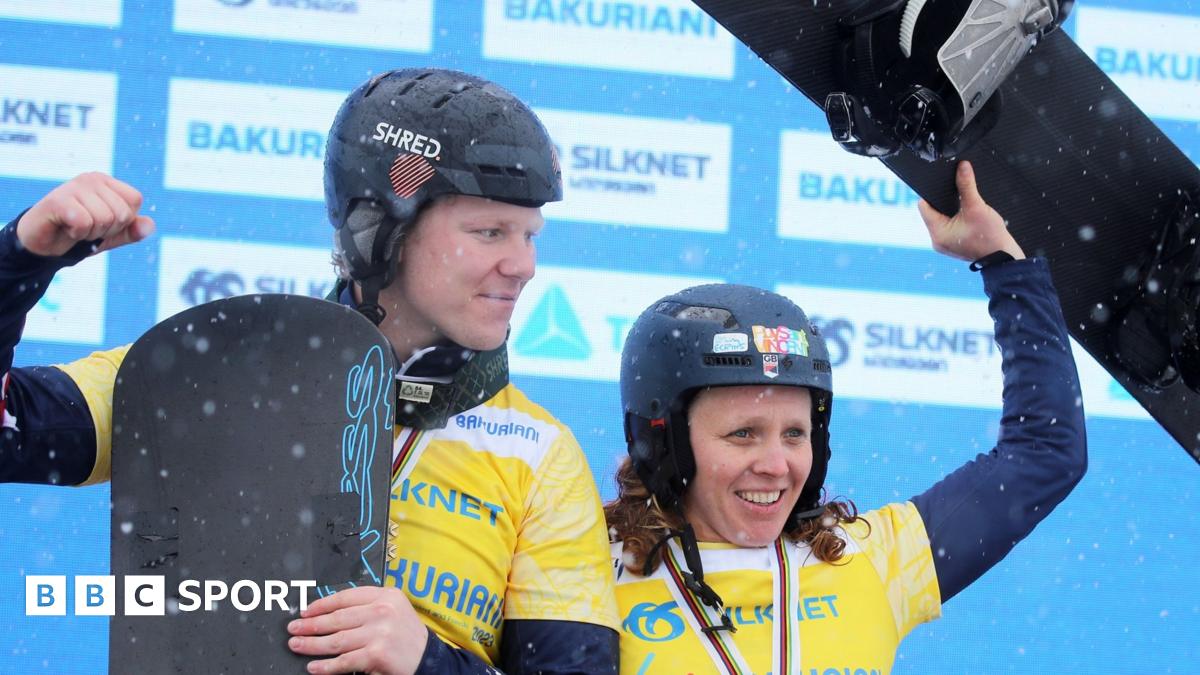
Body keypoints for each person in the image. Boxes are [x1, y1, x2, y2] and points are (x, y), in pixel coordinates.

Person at [0, 68, 619, 674]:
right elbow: (9, 429)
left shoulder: (540, 455)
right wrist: (20, 260)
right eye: (489, 232)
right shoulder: (212, 371)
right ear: (380, 229)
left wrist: (426, 661)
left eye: (529, 235)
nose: (522, 265)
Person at [605, 161, 1088, 674]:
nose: (776, 465)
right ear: (663, 444)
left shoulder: (867, 559)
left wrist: (1004, 264)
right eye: (743, 433)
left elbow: (1045, 452)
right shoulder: (583, 575)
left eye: (795, 434)